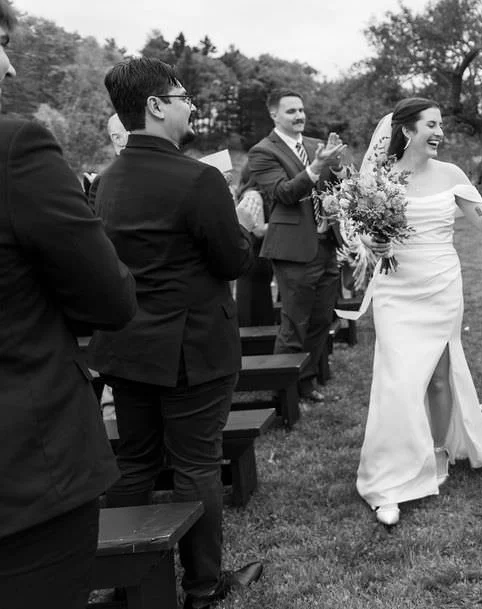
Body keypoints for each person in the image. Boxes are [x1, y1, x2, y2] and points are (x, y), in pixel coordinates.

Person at [88, 57, 263, 609]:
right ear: (157, 106)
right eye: (183, 94)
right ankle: (203, 585)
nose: (192, 104)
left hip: (127, 347)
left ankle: (131, 583)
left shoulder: (107, 181)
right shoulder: (199, 177)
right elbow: (232, 260)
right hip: (191, 349)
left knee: (135, 463)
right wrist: (244, 224)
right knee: (194, 466)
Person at [0, 0, 137, 609]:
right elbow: (106, 297)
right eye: (0, 42)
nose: (7, 67)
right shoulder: (17, 149)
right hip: (23, 468)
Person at [353, 97, 482, 526]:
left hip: (442, 282)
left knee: (441, 375)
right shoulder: (382, 178)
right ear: (407, 130)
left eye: (441, 124)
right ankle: (389, 478)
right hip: (396, 288)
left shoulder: (452, 174)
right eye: (432, 124)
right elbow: (364, 235)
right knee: (398, 380)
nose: (440, 131)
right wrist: (374, 243)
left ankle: (438, 453)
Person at [247, 89, 350, 402]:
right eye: (291, 111)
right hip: (293, 249)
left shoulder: (316, 146)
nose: (299, 116)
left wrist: (338, 169)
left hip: (325, 243)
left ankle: (304, 382)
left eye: (301, 110)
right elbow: (284, 193)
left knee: (321, 320)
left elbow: (338, 184)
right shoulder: (262, 151)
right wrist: (316, 167)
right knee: (294, 324)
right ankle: (283, 395)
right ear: (274, 115)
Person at [234, 163, 274, 326]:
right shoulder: (253, 196)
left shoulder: (248, 194)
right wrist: (280, 223)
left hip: (257, 258)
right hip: (256, 257)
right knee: (254, 304)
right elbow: (257, 230)